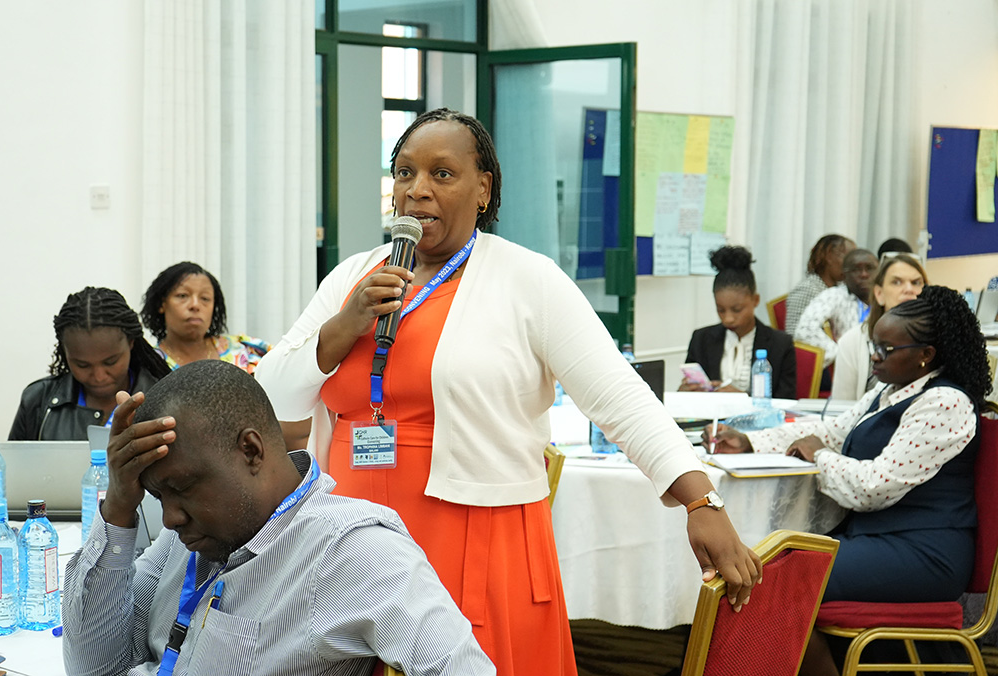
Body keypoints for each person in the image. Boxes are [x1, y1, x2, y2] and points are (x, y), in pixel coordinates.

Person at [255, 108, 761, 675]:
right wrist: (343, 326)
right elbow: (271, 399)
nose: (417, 190)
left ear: (482, 189)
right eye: (404, 173)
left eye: (442, 174)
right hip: (350, 532)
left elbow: (619, 397)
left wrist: (700, 499)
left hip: (472, 536)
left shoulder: (528, 280)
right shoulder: (354, 277)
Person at [62, 360, 495, 676]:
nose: (171, 517)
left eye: (182, 489)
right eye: (157, 496)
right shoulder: (191, 535)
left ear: (251, 451)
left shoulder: (349, 550)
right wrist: (119, 505)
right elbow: (94, 666)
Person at [706, 285, 991, 675]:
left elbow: (873, 487)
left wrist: (819, 456)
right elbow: (832, 430)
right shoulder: (889, 389)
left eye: (886, 350)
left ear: (926, 355)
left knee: (774, 577)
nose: (874, 356)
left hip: (925, 552)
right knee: (765, 567)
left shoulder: (946, 403)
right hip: (876, 540)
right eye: (874, 344)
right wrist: (751, 440)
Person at [9, 287, 171, 440]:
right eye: (82, 365)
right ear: (65, 353)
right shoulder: (38, 400)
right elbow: (13, 467)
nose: (99, 377)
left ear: (130, 343)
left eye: (111, 362)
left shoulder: (166, 398)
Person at [679, 245, 796, 398]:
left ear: (755, 300)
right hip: (711, 419)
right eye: (721, 310)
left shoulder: (780, 344)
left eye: (737, 310)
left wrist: (743, 398)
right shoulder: (701, 339)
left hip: (760, 420)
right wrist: (685, 392)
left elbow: (785, 402)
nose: (728, 318)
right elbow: (690, 395)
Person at [140, 261, 270, 374]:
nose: (195, 305)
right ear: (161, 304)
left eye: (205, 298)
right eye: (182, 296)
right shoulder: (150, 365)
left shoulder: (244, 350)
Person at [831, 253, 927, 401]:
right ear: (879, 293)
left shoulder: (940, 339)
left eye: (916, 283)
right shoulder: (852, 341)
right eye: (897, 282)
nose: (909, 289)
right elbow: (840, 408)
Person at [794, 248, 878, 365]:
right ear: (844, 275)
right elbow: (805, 330)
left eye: (869, 268)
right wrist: (840, 355)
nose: (864, 274)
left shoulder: (889, 296)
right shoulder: (833, 295)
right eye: (856, 270)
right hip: (850, 367)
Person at [785, 234, 856, 335]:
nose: (853, 265)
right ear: (829, 256)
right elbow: (795, 337)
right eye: (848, 258)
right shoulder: (806, 291)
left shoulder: (841, 290)